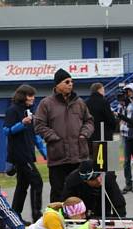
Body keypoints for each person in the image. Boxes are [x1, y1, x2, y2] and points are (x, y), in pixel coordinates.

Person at [34, 68, 94, 202]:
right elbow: (39, 125)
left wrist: (84, 134)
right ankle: (57, 221)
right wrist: (54, 138)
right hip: (58, 158)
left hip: (79, 156)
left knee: (80, 193)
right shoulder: (46, 103)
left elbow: (89, 121)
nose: (70, 84)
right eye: (67, 82)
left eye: (72, 81)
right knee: (58, 194)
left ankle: (81, 220)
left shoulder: (79, 103)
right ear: (57, 85)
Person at [3, 84, 46, 222]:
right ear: (23, 96)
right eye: (30, 95)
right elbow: (6, 131)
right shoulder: (13, 110)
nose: (33, 98)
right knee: (37, 181)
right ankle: (36, 214)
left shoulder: (29, 111)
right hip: (19, 154)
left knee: (22, 185)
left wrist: (45, 153)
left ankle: (15, 215)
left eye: (33, 95)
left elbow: (35, 136)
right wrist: (22, 123)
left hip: (28, 153)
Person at [11, 197, 102, 229]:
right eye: (81, 214)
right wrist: (85, 227)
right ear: (72, 214)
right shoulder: (52, 217)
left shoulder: (65, 215)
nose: (84, 217)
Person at [117, 83, 133, 193]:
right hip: (125, 134)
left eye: (129, 91)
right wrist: (122, 105)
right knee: (126, 161)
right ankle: (128, 184)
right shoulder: (123, 104)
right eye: (126, 91)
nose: (128, 93)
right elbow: (118, 117)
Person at [85, 83, 115, 154]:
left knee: (92, 157)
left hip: (90, 134)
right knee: (103, 158)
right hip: (103, 134)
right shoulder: (104, 102)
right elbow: (110, 119)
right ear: (99, 90)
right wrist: (113, 126)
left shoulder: (86, 103)